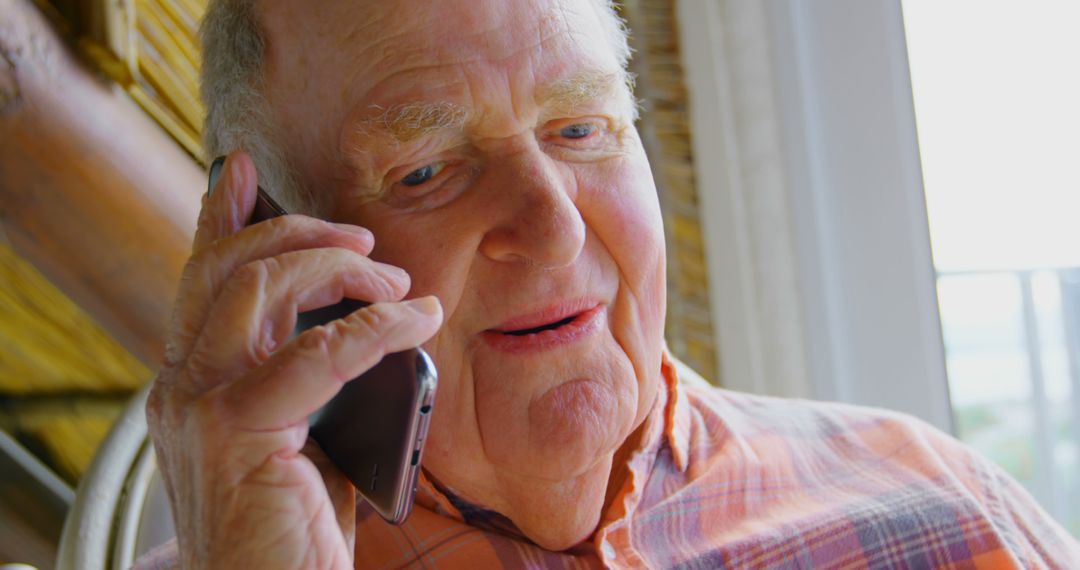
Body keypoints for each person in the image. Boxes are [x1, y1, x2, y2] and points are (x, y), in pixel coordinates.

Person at [138, 0, 1080, 568]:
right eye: (424, 170)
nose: (554, 231)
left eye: (582, 127)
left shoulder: (945, 511)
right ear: (269, 247)